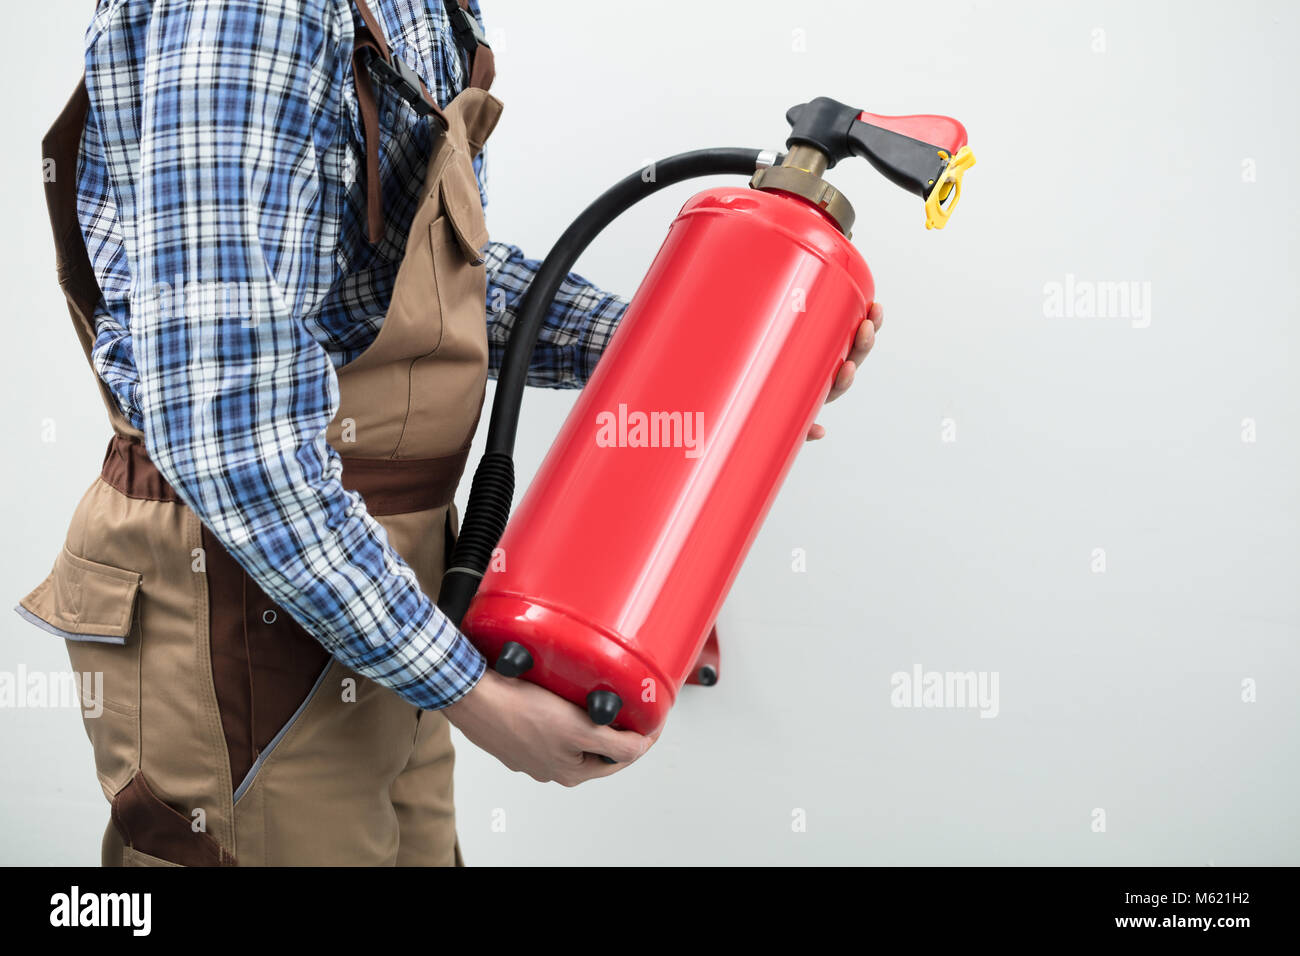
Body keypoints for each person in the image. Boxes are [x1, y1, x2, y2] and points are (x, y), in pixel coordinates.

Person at [19, 0, 881, 866]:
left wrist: (717, 361)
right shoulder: (254, 9)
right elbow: (232, 435)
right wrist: (471, 692)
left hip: (383, 594)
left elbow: (407, 280)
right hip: (245, 603)